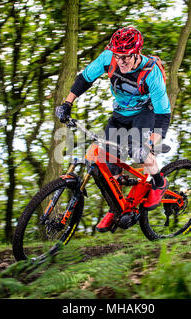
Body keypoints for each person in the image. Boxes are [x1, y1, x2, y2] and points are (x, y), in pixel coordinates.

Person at [55, 26, 171, 232]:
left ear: (137, 53)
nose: (121, 61)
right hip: (119, 115)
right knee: (108, 167)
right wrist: (67, 103)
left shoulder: (151, 72)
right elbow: (84, 79)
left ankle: (159, 182)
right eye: (118, 56)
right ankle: (117, 208)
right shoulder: (108, 58)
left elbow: (163, 114)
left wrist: (151, 143)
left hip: (145, 114)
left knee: (140, 153)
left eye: (126, 56)